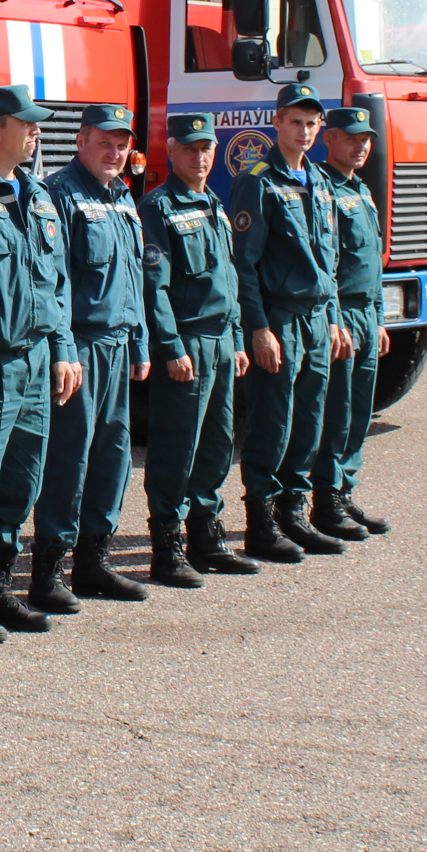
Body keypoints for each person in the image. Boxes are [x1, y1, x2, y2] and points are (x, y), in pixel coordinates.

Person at [0, 87, 81, 640]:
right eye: (25, 124)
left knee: (21, 485)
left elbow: (54, 283)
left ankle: (0, 586)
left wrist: (63, 349)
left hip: (34, 362)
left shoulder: (38, 194)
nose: (36, 133)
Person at [33, 103, 151, 610]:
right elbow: (53, 283)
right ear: (81, 140)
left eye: (122, 143)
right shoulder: (62, 195)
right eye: (105, 141)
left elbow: (135, 278)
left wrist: (141, 342)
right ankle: (49, 569)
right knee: (69, 458)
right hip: (80, 347)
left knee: (113, 457)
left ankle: (93, 562)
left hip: (119, 345)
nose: (114, 151)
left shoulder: (124, 198)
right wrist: (64, 349)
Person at [231, 82, 353, 563]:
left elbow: (331, 257)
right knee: (273, 423)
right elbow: (244, 263)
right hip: (279, 318)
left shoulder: (320, 181)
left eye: (311, 123)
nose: (303, 131)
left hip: (318, 318)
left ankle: (294, 515)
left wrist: (337, 318)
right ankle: (261, 523)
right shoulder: (258, 181)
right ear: (277, 122)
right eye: (295, 121)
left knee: (309, 420)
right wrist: (258, 327)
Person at [137, 112, 255, 585]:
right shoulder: (158, 207)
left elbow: (228, 278)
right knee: (176, 447)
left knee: (217, 442)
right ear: (173, 152)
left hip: (223, 341)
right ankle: (167, 547)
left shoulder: (213, 202)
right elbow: (155, 286)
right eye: (190, 148)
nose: (200, 156)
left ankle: (207, 535)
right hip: (188, 343)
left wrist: (240, 338)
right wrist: (169, 346)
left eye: (206, 148)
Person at [311, 106, 392, 541]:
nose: (360, 146)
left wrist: (378, 319)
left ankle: (344, 490)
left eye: (365, 140)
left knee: (360, 411)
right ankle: (325, 500)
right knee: (336, 411)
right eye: (350, 138)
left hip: (365, 314)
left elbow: (371, 265)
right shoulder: (322, 189)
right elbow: (329, 264)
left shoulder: (361, 190)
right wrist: (336, 319)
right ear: (330, 140)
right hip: (341, 315)